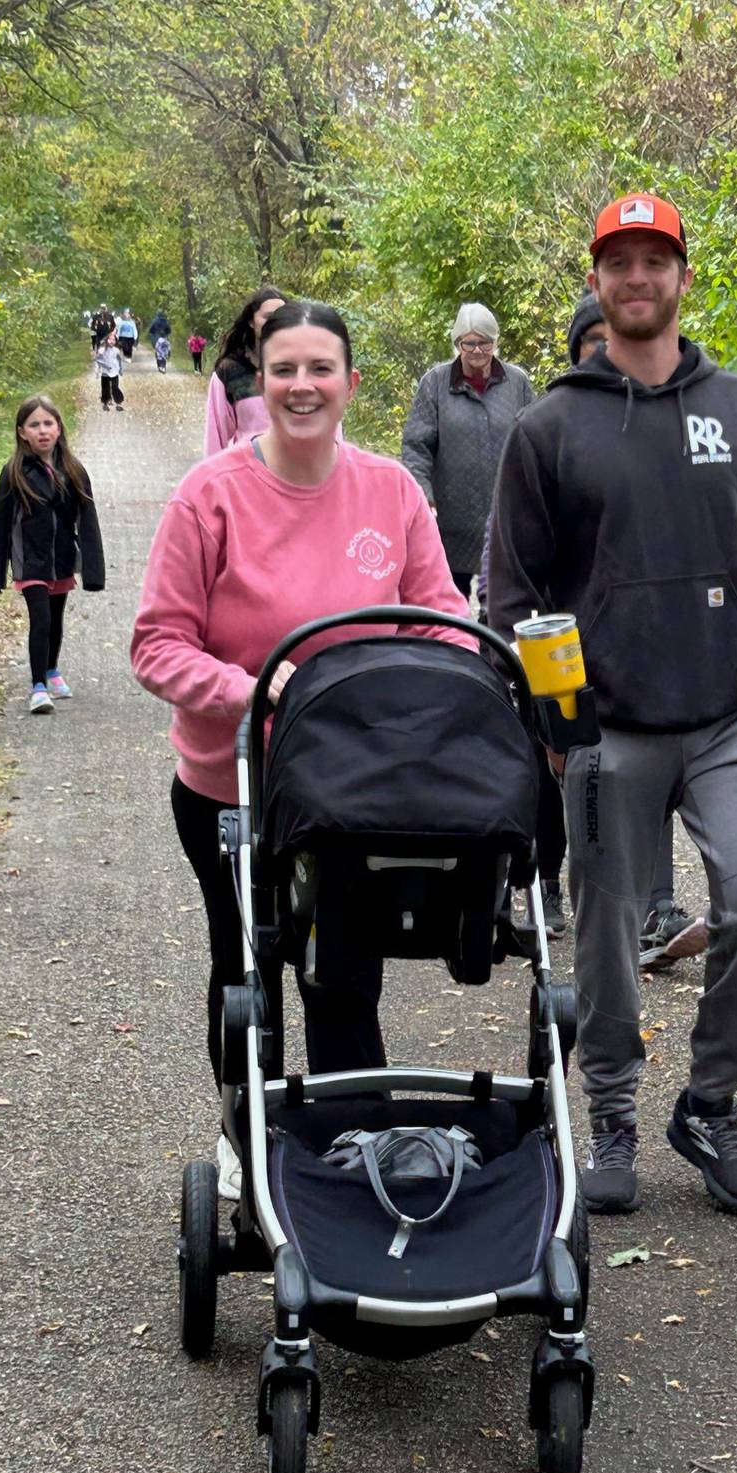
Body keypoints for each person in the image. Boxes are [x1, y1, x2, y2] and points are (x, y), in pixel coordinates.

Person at [489, 193, 737, 1217]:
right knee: (608, 930)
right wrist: (553, 722)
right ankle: (615, 1115)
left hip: (733, 714)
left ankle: (710, 1104)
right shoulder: (548, 427)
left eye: (655, 261)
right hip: (607, 727)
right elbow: (514, 588)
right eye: (618, 263)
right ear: (595, 281)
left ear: (683, 276)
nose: (637, 278)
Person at [131, 300, 476, 1198]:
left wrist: (459, 692)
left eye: (321, 368)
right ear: (258, 381)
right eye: (284, 369)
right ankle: (247, 1134)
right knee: (247, 966)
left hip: (357, 788)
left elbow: (443, 621)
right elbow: (156, 645)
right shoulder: (208, 495)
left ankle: (357, 1153)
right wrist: (256, 690)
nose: (302, 385)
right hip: (232, 784)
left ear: (351, 384)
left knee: (346, 971)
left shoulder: (391, 491)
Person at [480, 291, 706, 963]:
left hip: (647, 653)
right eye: (597, 346)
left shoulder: (680, 435)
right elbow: (510, 565)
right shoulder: (547, 433)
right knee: (566, 778)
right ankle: (549, 884)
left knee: (649, 781)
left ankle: (657, 909)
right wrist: (532, 674)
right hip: (558, 653)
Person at [401, 303, 533, 605]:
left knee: (502, 604)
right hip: (451, 518)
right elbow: (416, 446)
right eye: (468, 343)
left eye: (484, 342)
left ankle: (495, 652)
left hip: (503, 513)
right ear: (457, 343)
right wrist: (424, 496)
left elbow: (532, 439)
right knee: (450, 605)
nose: (476, 350)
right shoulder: (434, 384)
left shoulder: (517, 382)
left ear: (495, 342)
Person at [0, 395, 105, 715]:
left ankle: (52, 669)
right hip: (30, 561)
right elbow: (0, 522)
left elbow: (88, 521)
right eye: (34, 425)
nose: (42, 431)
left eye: (48, 423)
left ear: (59, 428)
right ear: (22, 432)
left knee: (55, 620)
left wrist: (93, 571)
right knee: (41, 618)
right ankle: (38, 686)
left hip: (62, 560)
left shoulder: (73, 470)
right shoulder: (14, 472)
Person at [204, 287, 286, 454]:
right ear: (251, 321)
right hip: (247, 473)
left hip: (296, 474)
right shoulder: (230, 372)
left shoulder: (304, 368)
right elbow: (215, 438)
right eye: (268, 317)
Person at [94, 328, 125, 409]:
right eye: (110, 339)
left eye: (114, 340)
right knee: (105, 388)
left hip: (114, 371)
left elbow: (119, 360)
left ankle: (118, 403)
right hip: (105, 372)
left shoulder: (116, 350)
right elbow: (98, 360)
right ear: (107, 340)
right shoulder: (102, 350)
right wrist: (97, 371)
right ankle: (105, 403)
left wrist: (121, 369)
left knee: (115, 387)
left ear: (115, 341)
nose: (112, 341)